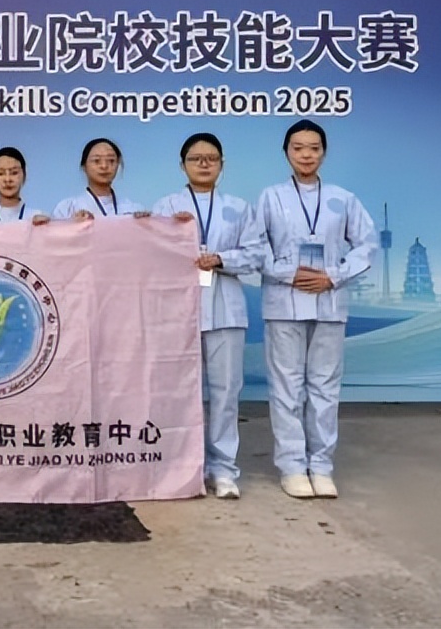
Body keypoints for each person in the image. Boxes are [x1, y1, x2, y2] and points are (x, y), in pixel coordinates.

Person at [257, 119, 376, 500]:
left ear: (324, 153)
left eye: (314, 148)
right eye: (298, 148)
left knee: (325, 386)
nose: (306, 155)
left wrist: (333, 276)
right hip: (284, 302)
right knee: (287, 386)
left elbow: (367, 245)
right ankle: (292, 466)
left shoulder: (343, 198)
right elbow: (256, 247)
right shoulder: (271, 197)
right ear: (286, 152)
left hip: (328, 302)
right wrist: (288, 273)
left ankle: (321, 465)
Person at [151, 133, 264, 500]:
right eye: (195, 158)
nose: (203, 164)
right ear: (182, 164)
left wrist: (220, 259)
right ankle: (183, 467)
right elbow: (151, 252)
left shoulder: (239, 208)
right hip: (179, 312)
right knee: (180, 393)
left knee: (225, 392)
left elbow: (256, 254)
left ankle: (223, 469)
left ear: (222, 165)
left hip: (225, 309)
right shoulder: (167, 206)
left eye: (211, 158)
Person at [51, 137, 148, 220]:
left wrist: (144, 222)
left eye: (111, 161)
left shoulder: (133, 209)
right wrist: (73, 226)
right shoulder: (68, 208)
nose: (104, 166)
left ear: (118, 165)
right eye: (96, 161)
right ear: (84, 166)